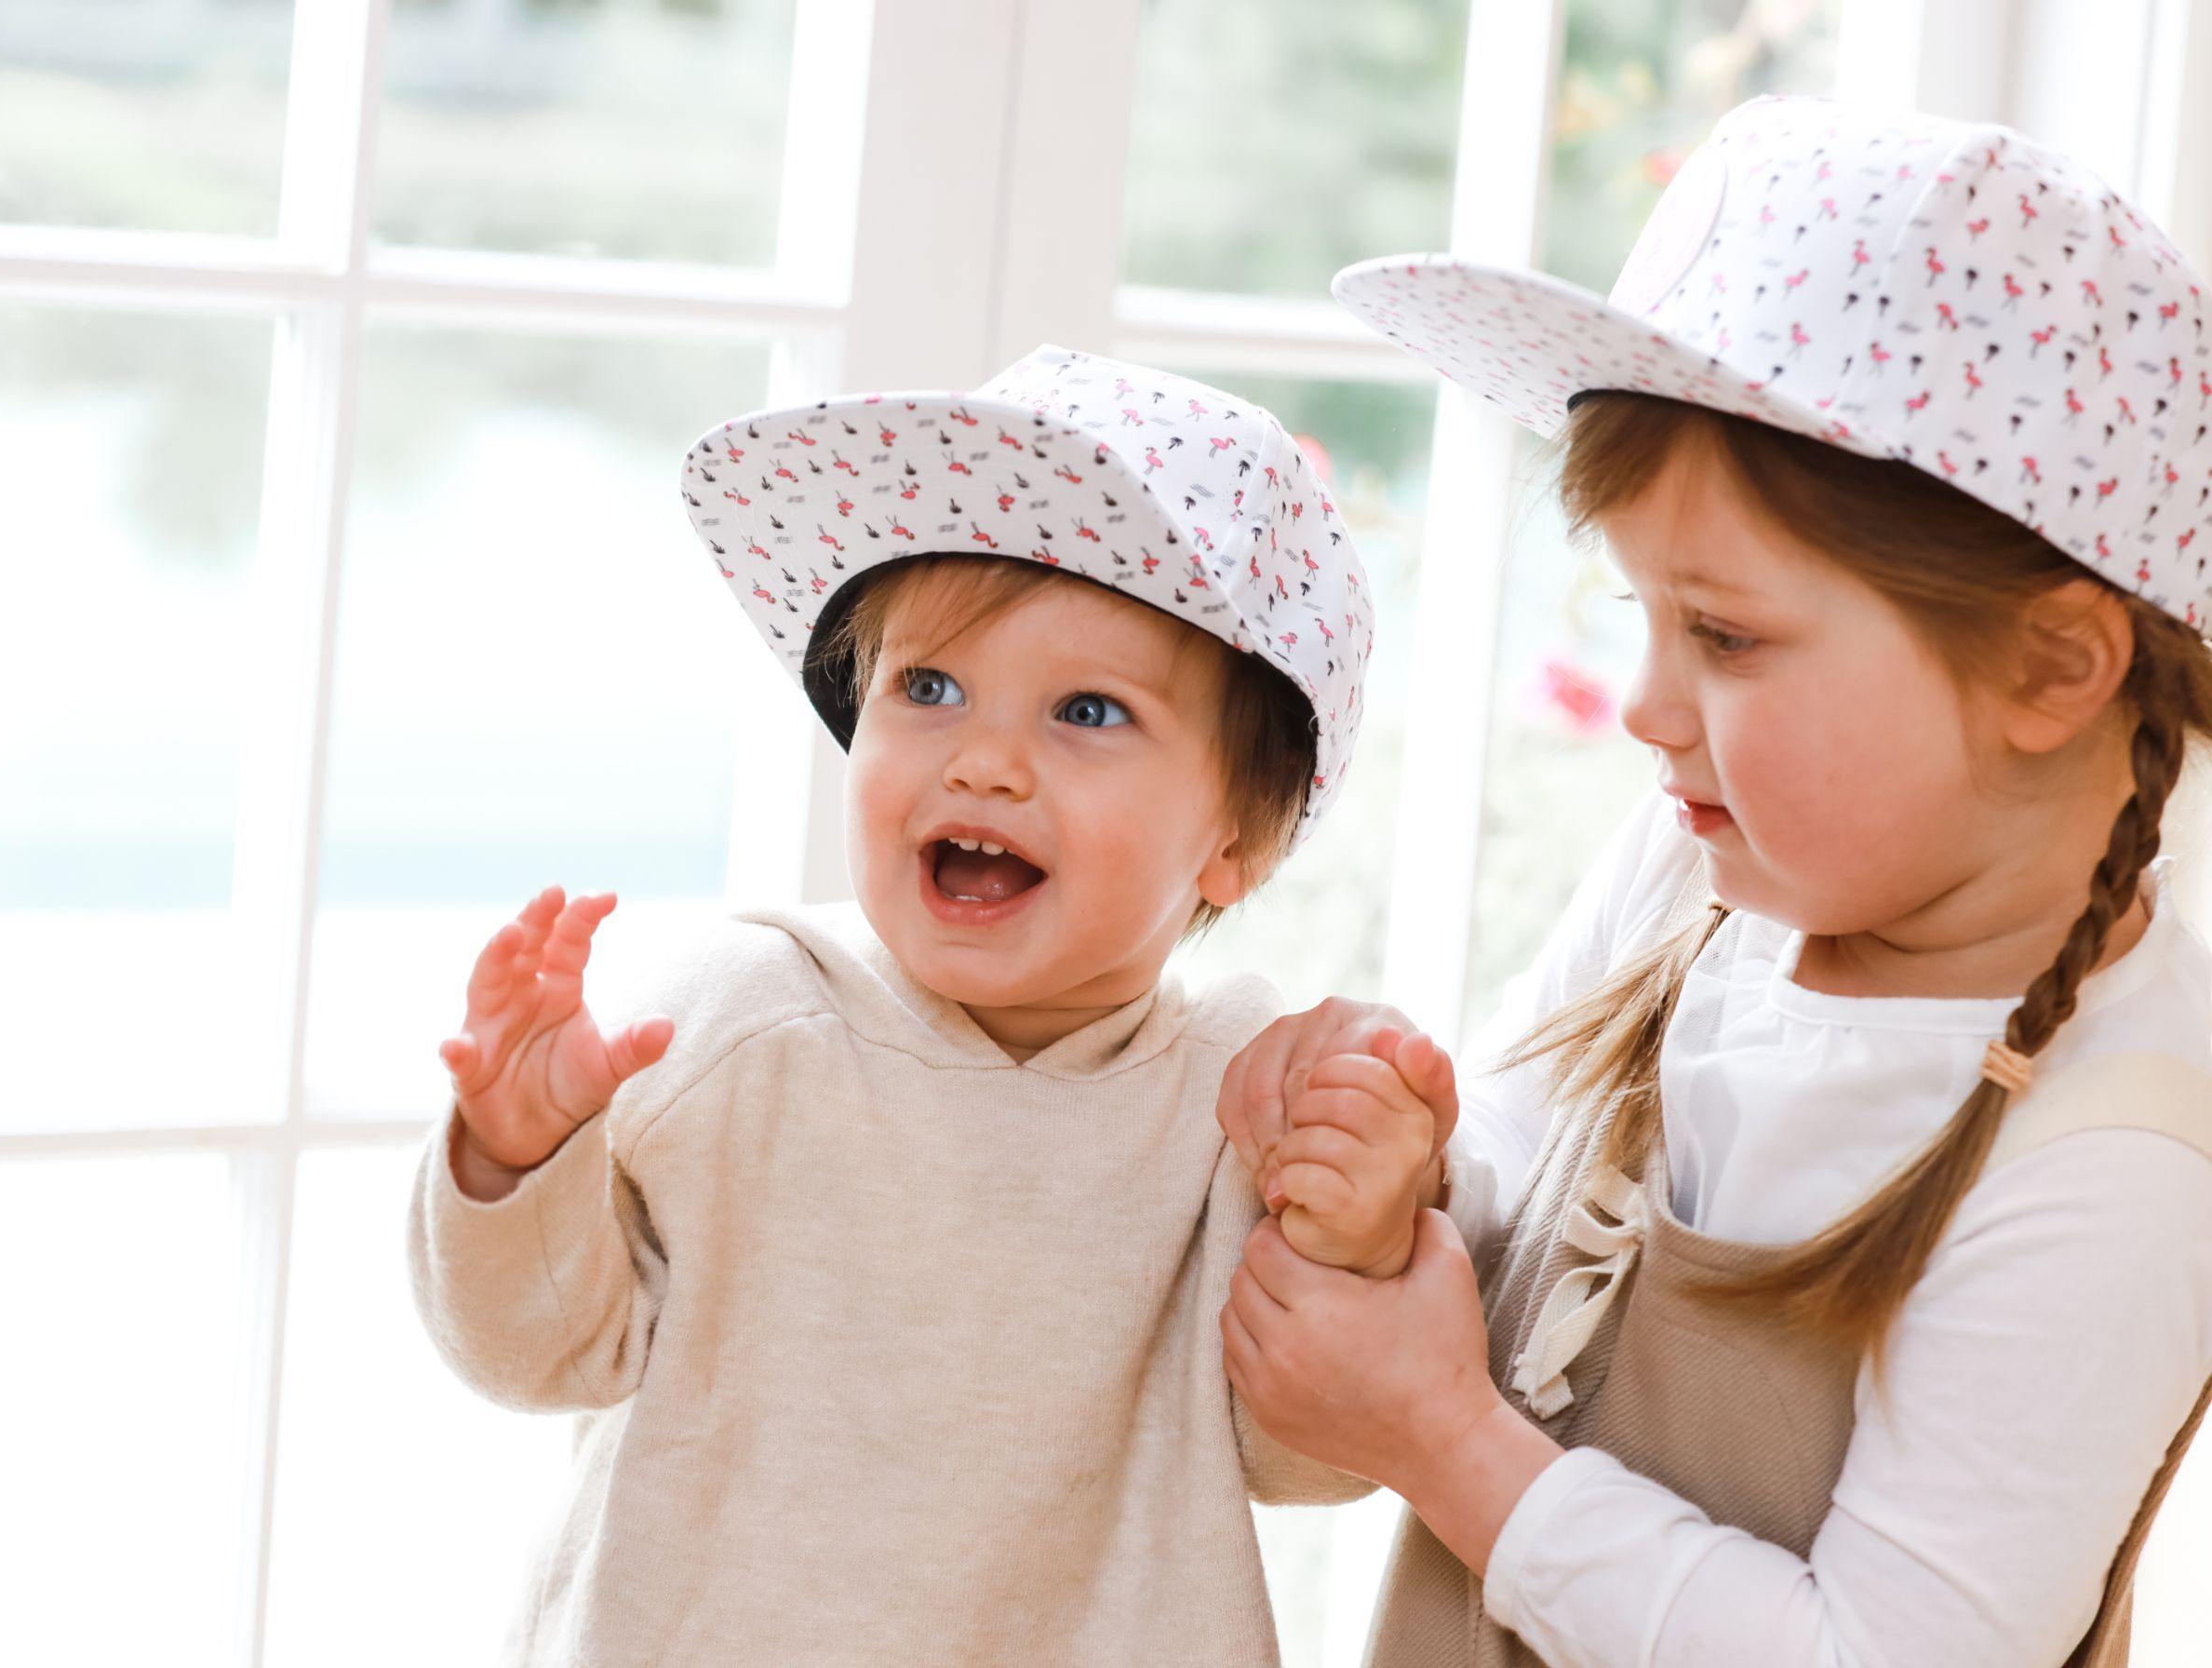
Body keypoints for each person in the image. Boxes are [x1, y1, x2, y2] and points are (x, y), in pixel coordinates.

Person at [1220, 94, 2212, 1666]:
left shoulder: (2121, 1143)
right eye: (1644, 617)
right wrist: (1400, 1180)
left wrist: (1448, 1446)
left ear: (2050, 666)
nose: (1643, 704)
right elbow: (1517, 1180)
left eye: (1728, 636)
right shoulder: (1705, 869)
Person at [406, 345, 1430, 1665]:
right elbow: (532, 1357)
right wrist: (517, 1155)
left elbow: (1311, 1461)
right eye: (928, 689)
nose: (987, 761)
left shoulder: (1244, 1102)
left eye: (1088, 711)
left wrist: (1354, 1240)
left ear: (1235, 838)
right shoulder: (744, 1027)